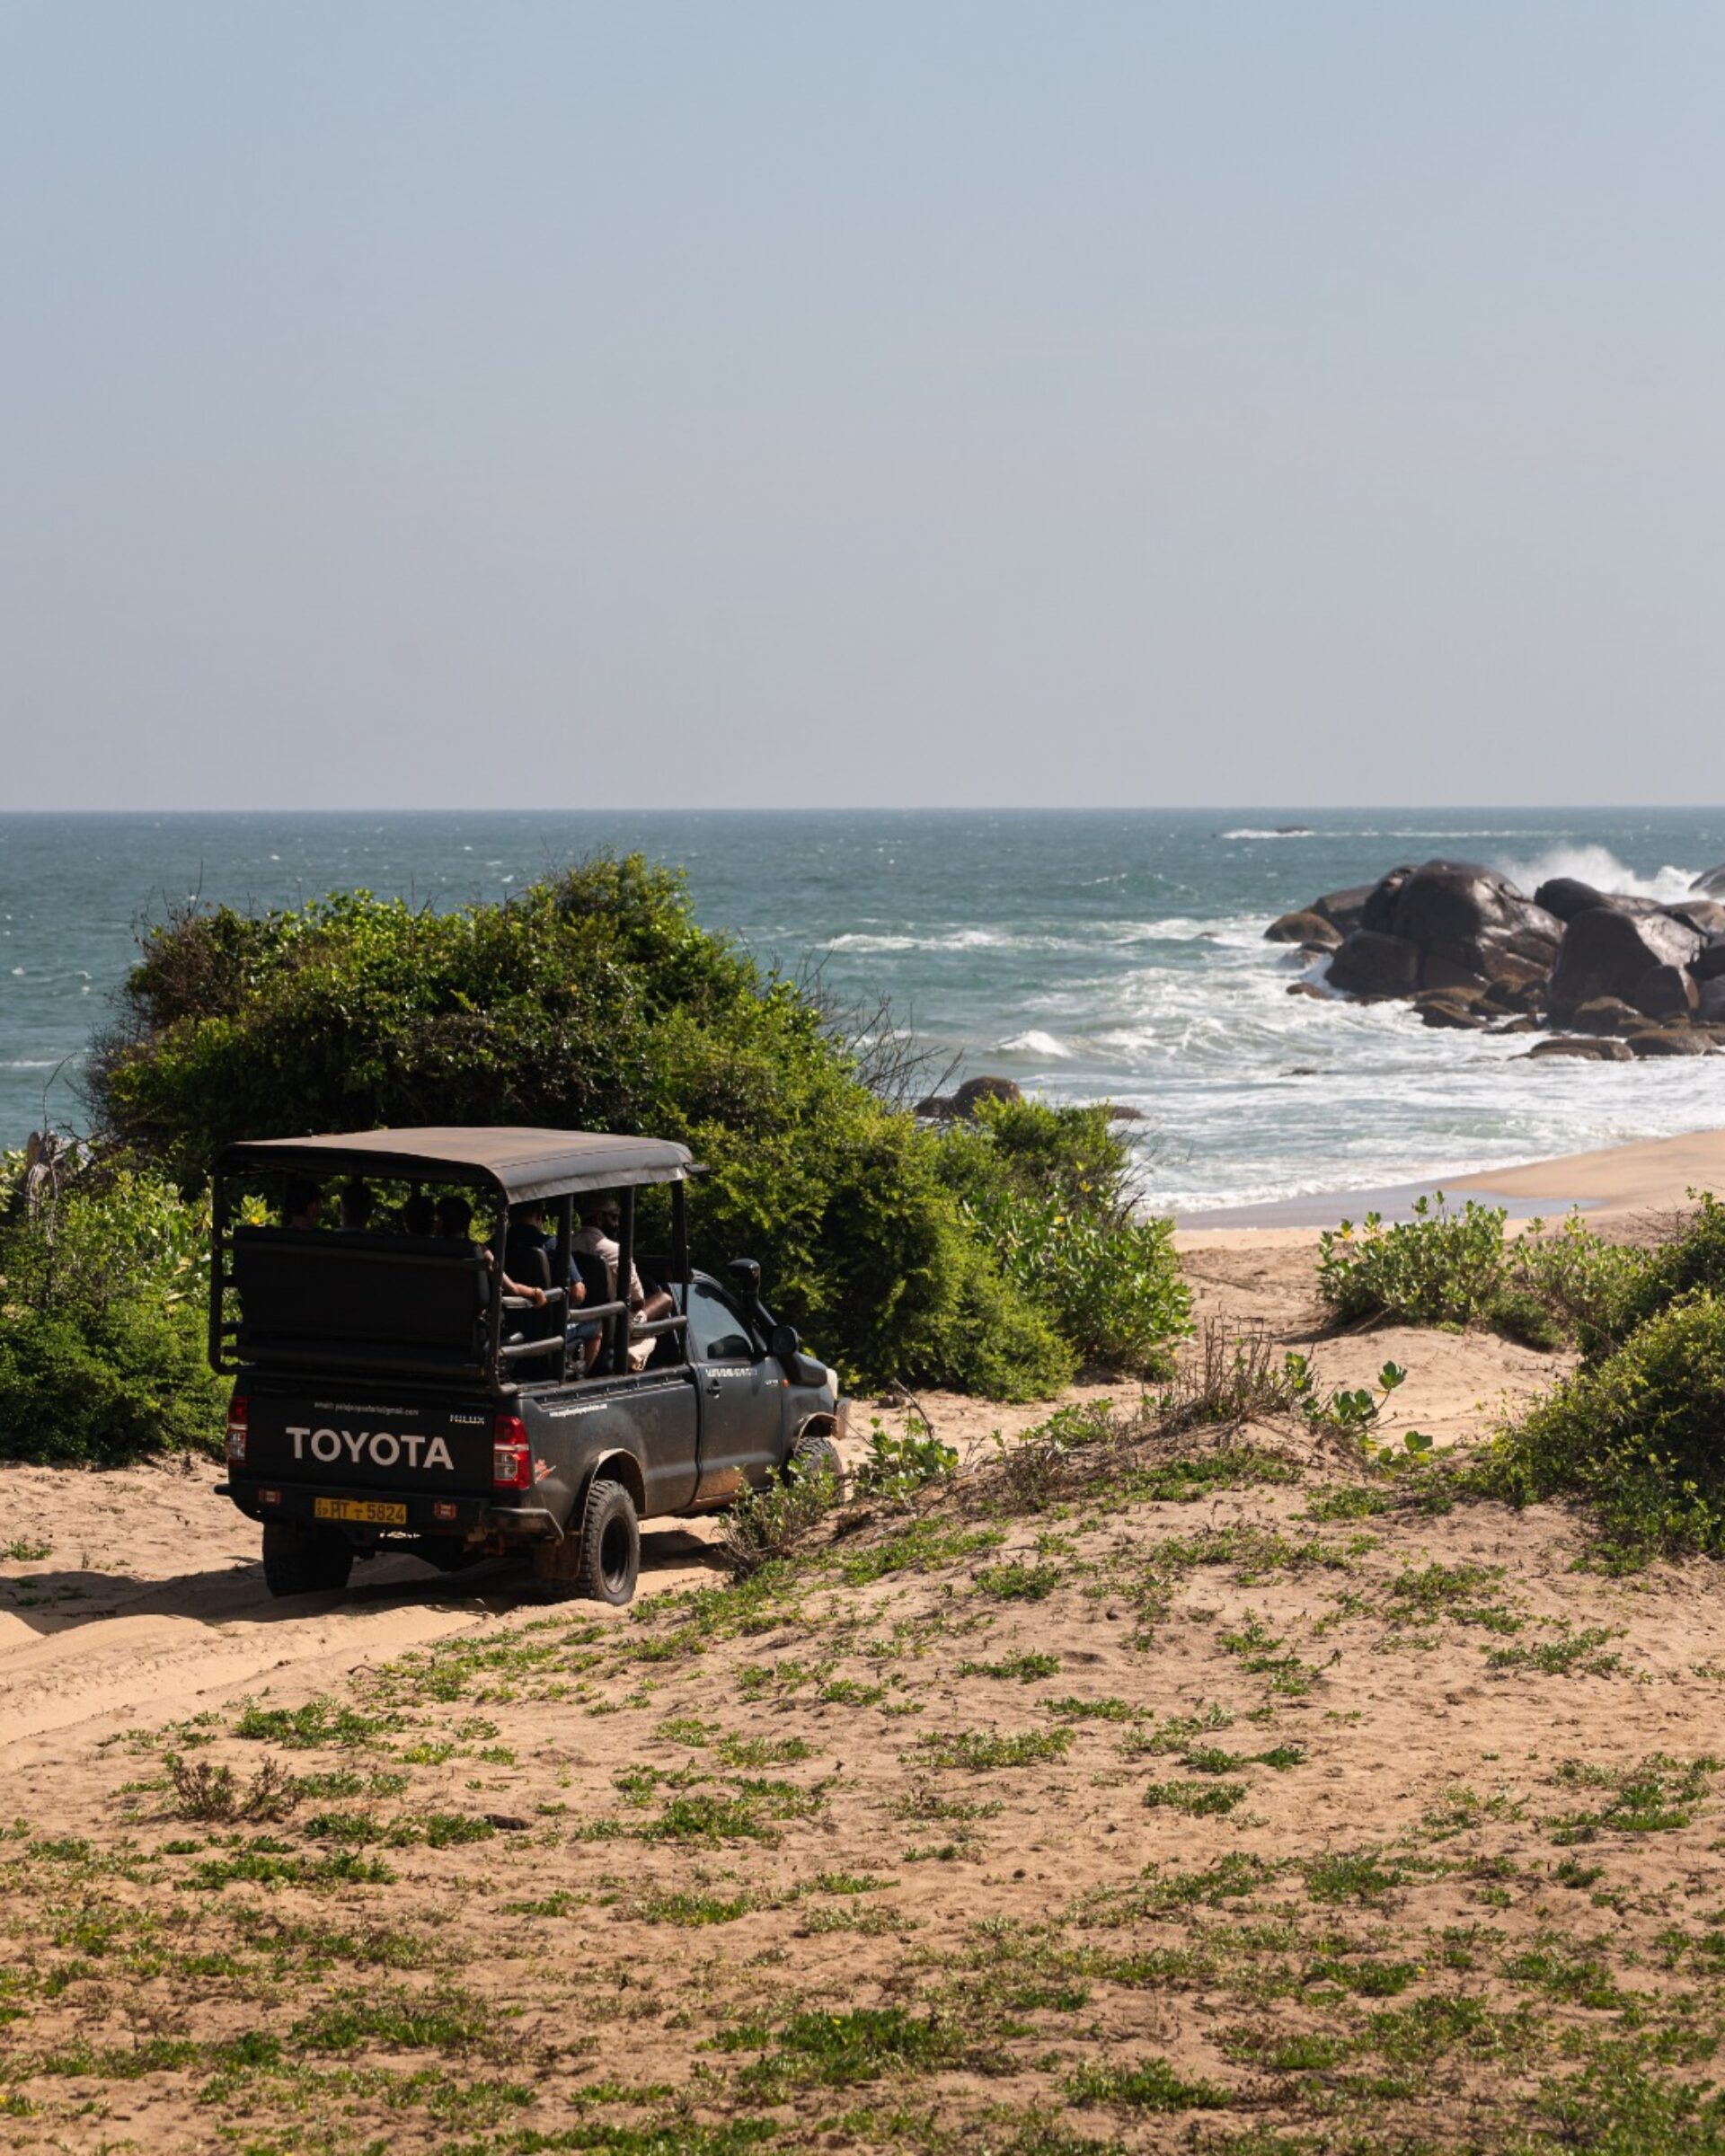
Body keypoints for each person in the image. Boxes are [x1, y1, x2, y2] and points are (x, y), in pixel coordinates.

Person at [571, 1197, 672, 1373]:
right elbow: (638, 1302)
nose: (617, 1224)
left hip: (577, 1318)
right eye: (614, 1218)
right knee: (665, 1299)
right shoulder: (615, 1251)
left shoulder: (568, 1245)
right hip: (612, 1324)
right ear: (600, 1218)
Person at [435, 1194, 549, 1312]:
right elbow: (511, 1288)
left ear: (440, 1221)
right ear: (467, 1221)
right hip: (466, 1314)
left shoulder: (430, 1248)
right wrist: (535, 1292)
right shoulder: (478, 1250)